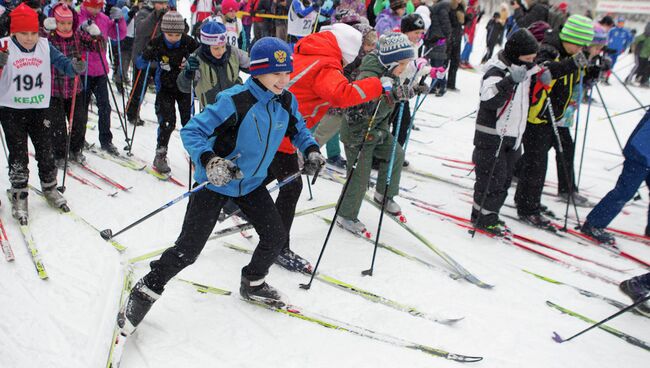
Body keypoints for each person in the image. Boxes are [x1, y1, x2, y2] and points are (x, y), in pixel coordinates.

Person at [117, 37, 324, 335]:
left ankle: (253, 281)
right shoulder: (235, 100)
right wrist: (211, 161)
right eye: (276, 73)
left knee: (275, 236)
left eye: (287, 72)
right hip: (216, 184)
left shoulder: (285, 101)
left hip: (250, 184)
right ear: (257, 72)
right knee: (187, 251)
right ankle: (147, 288)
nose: (284, 79)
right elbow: (192, 131)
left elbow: (299, 129)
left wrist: (311, 149)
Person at [264, 23, 383, 271]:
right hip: (283, 130)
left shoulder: (310, 50)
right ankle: (278, 247)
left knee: (264, 172)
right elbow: (341, 95)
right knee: (291, 186)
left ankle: (230, 203)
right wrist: (378, 85)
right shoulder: (326, 64)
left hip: (275, 124)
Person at [0, 3, 86, 224]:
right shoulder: (4, 46)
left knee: (46, 151)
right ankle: (19, 193)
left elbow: (64, 65)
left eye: (33, 33)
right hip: (11, 110)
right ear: (13, 32)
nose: (29, 38)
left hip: (40, 108)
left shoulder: (45, 46)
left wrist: (75, 66)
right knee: (18, 155)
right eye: (23, 33)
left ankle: (50, 187)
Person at [337, 32, 426, 235]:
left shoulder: (390, 73)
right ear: (390, 62)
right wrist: (391, 96)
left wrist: (409, 91)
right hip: (358, 134)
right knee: (360, 177)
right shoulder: (368, 76)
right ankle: (345, 214)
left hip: (379, 130)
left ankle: (384, 193)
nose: (404, 68)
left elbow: (392, 94)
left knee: (396, 154)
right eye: (402, 64)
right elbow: (355, 111)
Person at [514, 14, 594, 229]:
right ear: (569, 38)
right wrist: (571, 64)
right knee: (536, 165)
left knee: (536, 162)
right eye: (579, 45)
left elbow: (572, 75)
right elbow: (541, 71)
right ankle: (528, 208)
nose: (580, 50)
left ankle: (528, 201)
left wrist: (590, 71)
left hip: (552, 116)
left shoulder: (567, 52)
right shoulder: (549, 49)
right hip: (536, 116)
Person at [470, 29, 543, 236]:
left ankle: (491, 214)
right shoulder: (497, 70)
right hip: (492, 135)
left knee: (504, 180)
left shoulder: (525, 69)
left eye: (532, 59)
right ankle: (481, 217)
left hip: (514, 134)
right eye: (527, 58)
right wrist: (510, 80)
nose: (531, 62)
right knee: (491, 179)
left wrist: (542, 77)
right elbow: (489, 99)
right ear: (516, 54)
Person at [135, 11, 199, 174]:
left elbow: (202, 56)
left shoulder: (187, 41)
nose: (173, 38)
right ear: (163, 31)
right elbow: (140, 63)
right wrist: (147, 54)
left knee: (189, 123)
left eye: (177, 34)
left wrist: (194, 63)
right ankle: (160, 155)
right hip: (165, 88)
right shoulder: (157, 43)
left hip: (184, 87)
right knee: (167, 122)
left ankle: (197, 155)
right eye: (169, 34)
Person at [581, 110, 650, 244]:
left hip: (643, 152)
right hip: (641, 153)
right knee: (624, 191)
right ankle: (593, 225)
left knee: (625, 191)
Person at [43, 3, 93, 167]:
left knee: (79, 120)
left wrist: (94, 34)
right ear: (55, 22)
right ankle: (59, 154)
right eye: (61, 23)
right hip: (54, 88)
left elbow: (96, 45)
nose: (65, 27)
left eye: (68, 23)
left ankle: (76, 149)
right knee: (57, 124)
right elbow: (38, 41)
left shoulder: (77, 36)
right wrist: (46, 30)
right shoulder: (48, 38)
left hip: (74, 87)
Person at [78, 0, 127, 155]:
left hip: (100, 69)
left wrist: (119, 21)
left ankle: (106, 140)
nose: (96, 9)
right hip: (83, 70)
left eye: (99, 6)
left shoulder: (103, 19)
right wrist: (81, 28)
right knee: (82, 108)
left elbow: (118, 35)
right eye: (93, 6)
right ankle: (78, 139)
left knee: (104, 106)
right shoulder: (78, 16)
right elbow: (71, 34)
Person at [177, 21, 250, 111]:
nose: (221, 51)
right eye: (216, 48)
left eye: (223, 46)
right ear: (207, 46)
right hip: (211, 111)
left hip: (235, 106)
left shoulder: (233, 52)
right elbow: (184, 87)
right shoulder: (197, 59)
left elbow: (251, 63)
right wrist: (187, 74)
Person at [128, 0, 168, 126]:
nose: (162, 7)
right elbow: (141, 30)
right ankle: (132, 112)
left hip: (158, 58)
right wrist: (155, 16)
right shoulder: (144, 12)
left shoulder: (166, 15)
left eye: (164, 4)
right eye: (160, 4)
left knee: (163, 88)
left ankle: (162, 115)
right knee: (139, 88)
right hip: (143, 57)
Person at [424, 0, 452, 96]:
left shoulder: (440, 9)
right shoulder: (439, 9)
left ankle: (441, 87)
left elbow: (446, 25)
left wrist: (446, 37)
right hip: (436, 39)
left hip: (438, 39)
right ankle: (434, 86)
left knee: (438, 65)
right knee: (435, 65)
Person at [604, 16, 633, 85]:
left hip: (617, 51)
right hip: (610, 50)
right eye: (619, 23)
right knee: (606, 63)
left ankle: (607, 77)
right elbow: (606, 38)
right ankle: (603, 76)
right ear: (617, 23)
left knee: (612, 64)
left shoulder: (625, 31)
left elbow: (629, 40)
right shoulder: (612, 30)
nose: (621, 24)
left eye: (622, 23)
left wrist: (624, 48)